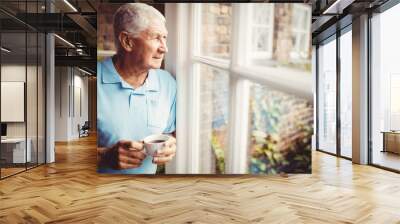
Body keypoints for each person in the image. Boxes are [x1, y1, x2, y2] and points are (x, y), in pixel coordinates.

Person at [97, 3, 176, 174]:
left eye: (165, 38)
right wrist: (103, 156)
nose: (164, 48)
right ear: (127, 41)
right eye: (156, 37)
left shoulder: (168, 83)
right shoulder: (92, 82)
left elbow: (171, 133)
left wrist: (171, 145)